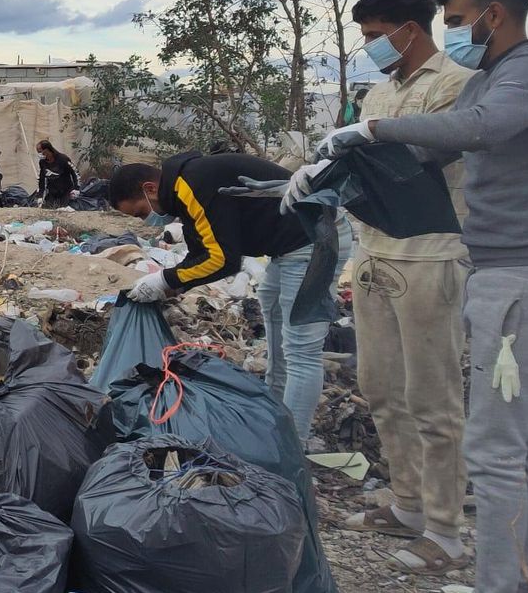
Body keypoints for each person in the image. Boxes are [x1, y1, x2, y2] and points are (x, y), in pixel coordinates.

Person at [309, 0, 528, 593]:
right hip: (491, 270)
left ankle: (481, 567)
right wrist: (334, 166)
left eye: (458, 20)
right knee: (521, 451)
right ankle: (516, 579)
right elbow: (428, 150)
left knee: (494, 452)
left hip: (515, 277)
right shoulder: (497, 76)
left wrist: (370, 129)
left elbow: (473, 131)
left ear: (492, 15)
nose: (454, 30)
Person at [321, 0, 472, 571]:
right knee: (382, 388)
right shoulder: (380, 92)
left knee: (432, 399)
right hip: (375, 253)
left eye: (377, 35)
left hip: (430, 254)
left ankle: (446, 530)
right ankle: (406, 504)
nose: (371, 46)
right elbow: (360, 167)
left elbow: (418, 160)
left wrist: (366, 146)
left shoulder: (457, 86)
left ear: (411, 29)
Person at [109, 152, 352, 443]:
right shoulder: (184, 187)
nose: (146, 219)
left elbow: (223, 259)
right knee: (276, 333)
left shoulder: (193, 185)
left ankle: (294, 448)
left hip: (314, 240)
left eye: (139, 212)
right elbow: (203, 248)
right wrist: (173, 283)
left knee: (300, 350)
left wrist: (166, 279)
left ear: (149, 189)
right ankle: (275, 424)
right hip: (290, 246)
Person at [35, 140, 79, 208]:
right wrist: (40, 195)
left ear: (47, 150)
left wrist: (76, 188)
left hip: (65, 191)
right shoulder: (42, 162)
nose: (39, 154)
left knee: (65, 209)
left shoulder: (63, 159)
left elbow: (75, 173)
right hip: (52, 192)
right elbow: (42, 179)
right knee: (47, 209)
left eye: (40, 151)